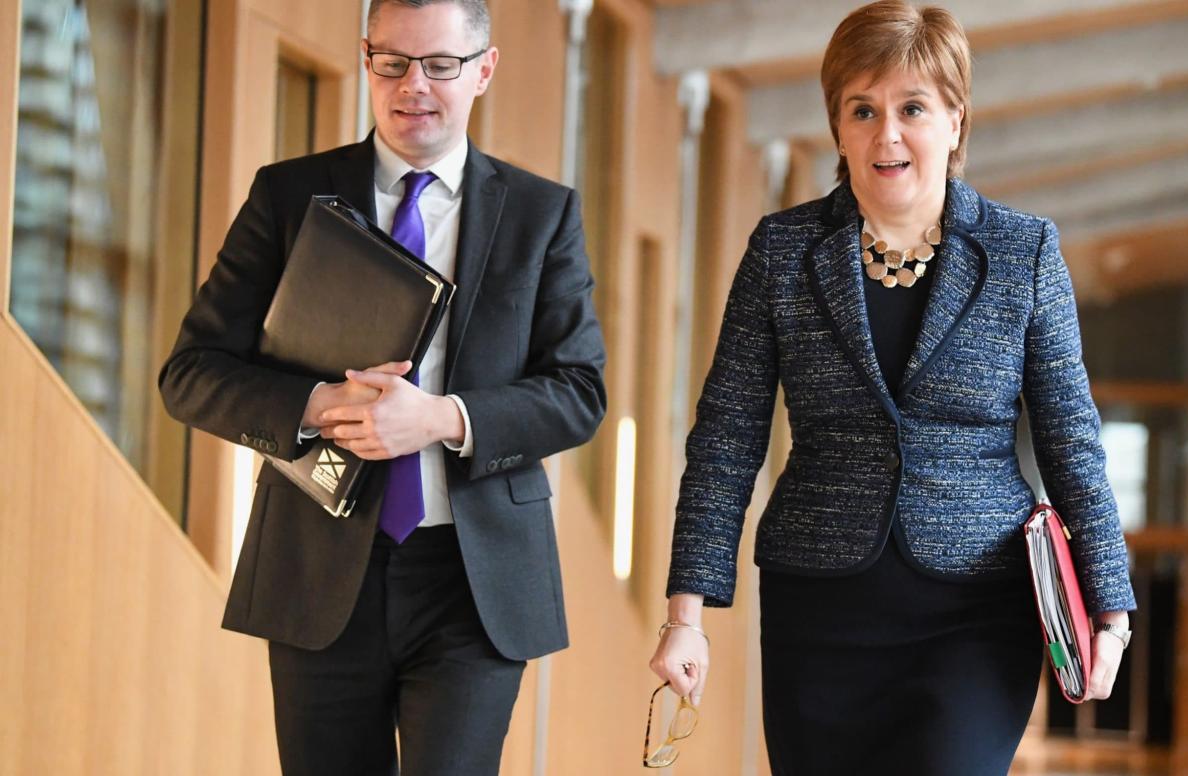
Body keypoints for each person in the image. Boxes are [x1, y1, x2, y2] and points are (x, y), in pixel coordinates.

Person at [648, 2, 1135, 773]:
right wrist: (687, 613)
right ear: (836, 126)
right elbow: (726, 436)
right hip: (821, 608)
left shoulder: (1023, 252)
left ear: (955, 120)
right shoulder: (783, 251)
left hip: (976, 610)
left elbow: (1071, 436)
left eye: (913, 108)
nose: (888, 135)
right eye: (862, 110)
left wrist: (1110, 607)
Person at [159, 0, 606, 773]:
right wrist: (315, 406)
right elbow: (190, 375)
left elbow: (578, 391)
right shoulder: (288, 196)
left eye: (440, 65)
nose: (413, 87)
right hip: (320, 567)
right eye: (392, 62)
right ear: (366, 58)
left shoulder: (542, 215)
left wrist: (442, 417)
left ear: (484, 70)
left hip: (475, 583)